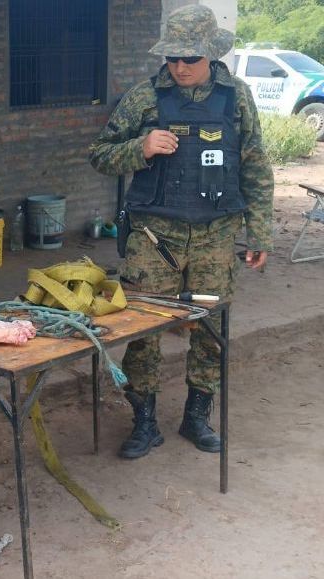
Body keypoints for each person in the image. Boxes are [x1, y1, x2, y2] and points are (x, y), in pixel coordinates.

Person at [89, 5, 274, 459]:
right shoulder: (144, 97)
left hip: (216, 238)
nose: (179, 66)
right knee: (143, 329)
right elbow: (100, 154)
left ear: (211, 54)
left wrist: (261, 234)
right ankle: (145, 422)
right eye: (172, 57)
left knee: (210, 330)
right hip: (155, 240)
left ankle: (196, 417)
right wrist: (141, 147)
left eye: (189, 58)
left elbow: (255, 166)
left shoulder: (238, 98)